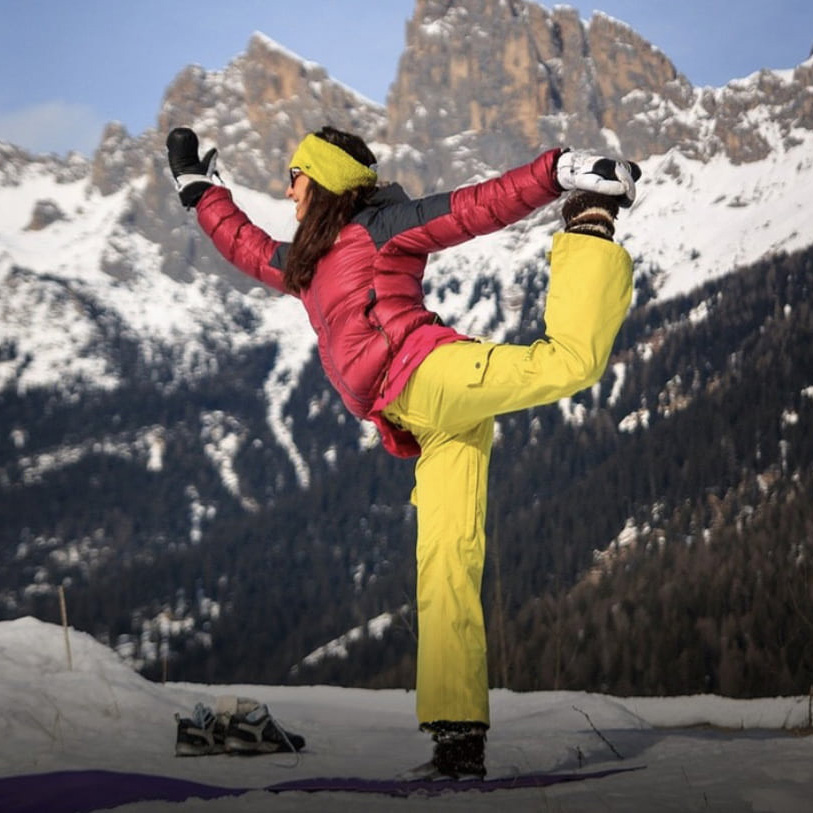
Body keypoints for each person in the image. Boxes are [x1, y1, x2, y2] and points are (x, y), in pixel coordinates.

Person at [166, 124, 639, 779]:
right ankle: (457, 740)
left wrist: (556, 171)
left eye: (296, 175)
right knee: (444, 566)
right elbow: (245, 246)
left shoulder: (382, 227)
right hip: (429, 422)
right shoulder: (304, 265)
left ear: (327, 177)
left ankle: (589, 223)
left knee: (568, 361)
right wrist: (199, 191)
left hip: (433, 373)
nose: (286, 188)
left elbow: (475, 205)